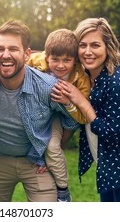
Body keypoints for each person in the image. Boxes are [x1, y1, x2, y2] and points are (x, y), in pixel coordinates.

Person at [53, 17, 120, 202]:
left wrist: (81, 102)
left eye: (95, 45)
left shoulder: (119, 80)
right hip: (110, 168)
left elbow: (111, 132)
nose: (88, 52)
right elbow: (46, 55)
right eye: (82, 45)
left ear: (107, 47)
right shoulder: (83, 78)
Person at [0, 20, 80, 202]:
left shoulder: (48, 87)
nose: (6, 55)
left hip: (35, 162)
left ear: (27, 54)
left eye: (13, 49)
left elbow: (71, 120)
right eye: (0, 49)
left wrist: (55, 148)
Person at [27, 29, 91, 202]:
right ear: (47, 56)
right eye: (55, 59)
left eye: (67, 60)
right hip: (38, 110)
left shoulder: (81, 78)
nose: (60, 65)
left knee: (53, 147)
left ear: (75, 60)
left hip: (62, 116)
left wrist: (68, 102)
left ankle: (63, 192)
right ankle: (40, 157)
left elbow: (84, 114)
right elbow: (10, 58)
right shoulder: (37, 60)